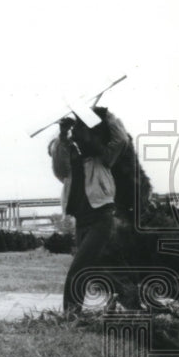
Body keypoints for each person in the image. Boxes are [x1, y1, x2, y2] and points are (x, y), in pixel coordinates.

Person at [49, 108, 129, 314]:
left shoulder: (102, 160)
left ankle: (70, 316)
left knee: (79, 267)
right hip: (82, 221)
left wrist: (110, 116)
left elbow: (120, 140)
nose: (76, 144)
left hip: (101, 218)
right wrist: (62, 134)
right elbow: (58, 158)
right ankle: (124, 297)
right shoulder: (66, 170)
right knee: (89, 268)